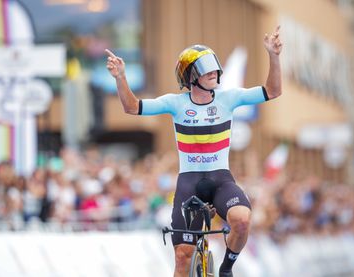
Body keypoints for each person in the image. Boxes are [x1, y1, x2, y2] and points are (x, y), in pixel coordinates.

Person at [105, 25, 282, 277]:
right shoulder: (175, 103)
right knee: (182, 257)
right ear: (190, 75)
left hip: (221, 179)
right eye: (204, 67)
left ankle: (226, 268)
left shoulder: (228, 98)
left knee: (242, 221)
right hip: (189, 182)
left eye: (214, 65)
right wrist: (121, 77)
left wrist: (273, 57)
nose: (213, 71)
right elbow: (132, 108)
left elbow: (273, 91)